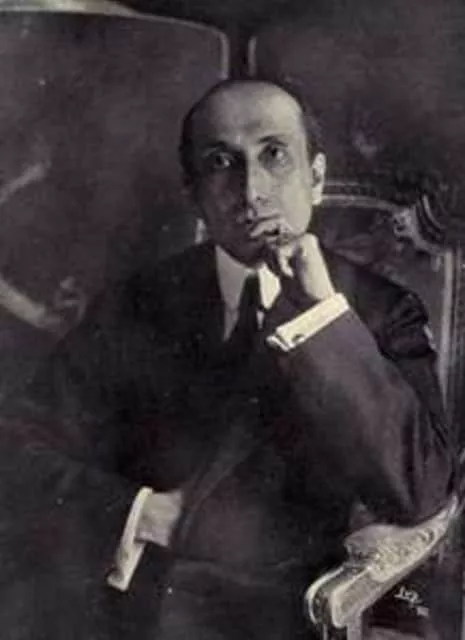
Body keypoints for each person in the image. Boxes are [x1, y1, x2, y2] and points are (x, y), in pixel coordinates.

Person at [0, 78, 453, 640]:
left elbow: (420, 489)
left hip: (287, 616)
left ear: (315, 178)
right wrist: (139, 512)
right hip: (131, 608)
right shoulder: (136, 301)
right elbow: (17, 444)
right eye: (221, 163)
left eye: (274, 155)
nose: (251, 191)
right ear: (194, 194)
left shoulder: (384, 311)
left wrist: (322, 317)